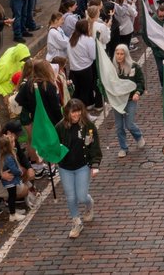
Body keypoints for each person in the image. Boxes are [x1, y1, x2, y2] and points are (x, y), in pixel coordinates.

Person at [55, 98, 101, 238]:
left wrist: (95, 164)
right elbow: (54, 145)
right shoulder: (60, 127)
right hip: (65, 167)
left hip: (82, 166)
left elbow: (94, 145)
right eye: (73, 112)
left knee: (81, 196)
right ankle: (76, 222)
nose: (76, 114)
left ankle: (89, 204)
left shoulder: (88, 126)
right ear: (67, 112)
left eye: (78, 111)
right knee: (70, 197)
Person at [111, 44, 146, 158]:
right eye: (117, 53)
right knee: (119, 126)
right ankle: (123, 147)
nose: (119, 56)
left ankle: (138, 136)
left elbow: (140, 81)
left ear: (126, 55)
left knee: (129, 124)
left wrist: (137, 92)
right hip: (117, 100)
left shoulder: (134, 66)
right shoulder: (112, 68)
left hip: (130, 99)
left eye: (122, 54)